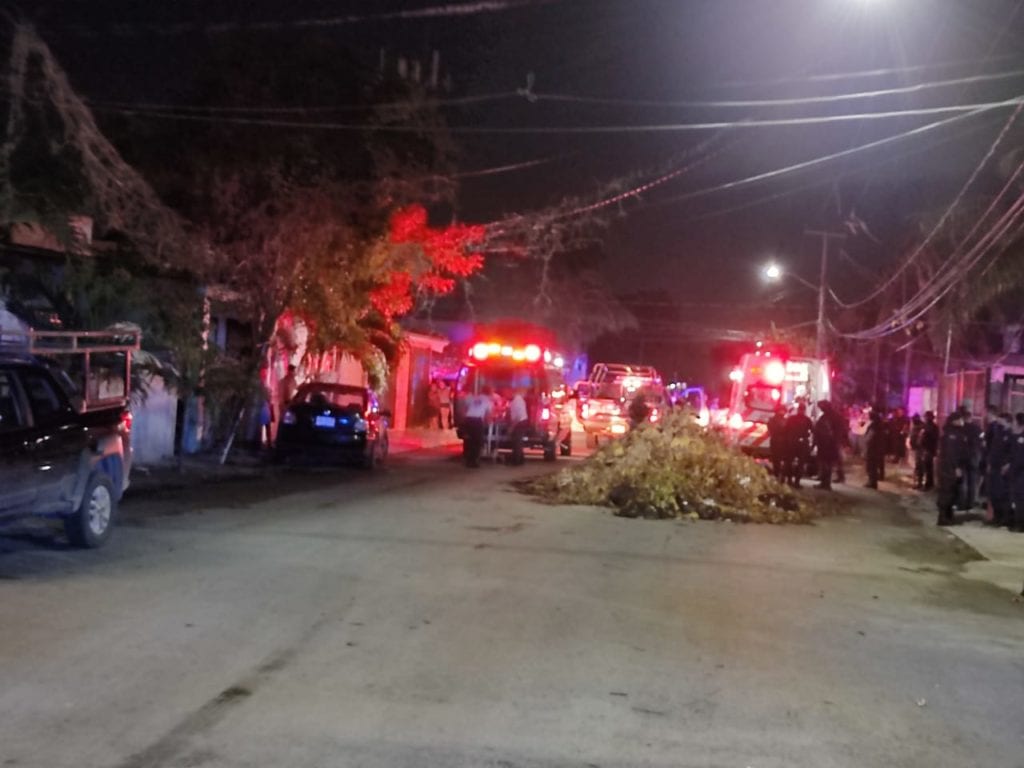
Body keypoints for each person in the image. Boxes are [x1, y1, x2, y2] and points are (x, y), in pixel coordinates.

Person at [937, 411, 968, 526]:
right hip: (949, 468)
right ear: (955, 421)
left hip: (950, 467)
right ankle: (943, 517)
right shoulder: (952, 435)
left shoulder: (955, 433)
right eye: (960, 419)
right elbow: (952, 454)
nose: (962, 422)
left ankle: (948, 515)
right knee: (947, 491)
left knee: (952, 492)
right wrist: (956, 467)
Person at [983, 408, 1013, 526]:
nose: (999, 422)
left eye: (1001, 420)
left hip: (1003, 468)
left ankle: (1003, 518)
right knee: (994, 493)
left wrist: (1007, 464)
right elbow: (993, 450)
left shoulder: (1011, 435)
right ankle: (996, 516)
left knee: (1003, 494)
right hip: (995, 467)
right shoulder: (998, 433)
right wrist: (990, 463)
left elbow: (1013, 453)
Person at [462, 385, 494, 468]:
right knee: (477, 442)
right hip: (477, 421)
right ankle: (474, 461)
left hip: (468, 420)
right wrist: (489, 421)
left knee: (470, 441)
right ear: (489, 392)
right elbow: (488, 414)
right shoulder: (488, 400)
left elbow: (466, 407)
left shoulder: (475, 397)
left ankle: (468, 460)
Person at [784, 402, 813, 488]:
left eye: (802, 409)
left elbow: (785, 430)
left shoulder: (792, 419)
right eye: (801, 409)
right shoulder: (806, 420)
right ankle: (793, 481)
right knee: (796, 463)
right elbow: (812, 430)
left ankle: (792, 481)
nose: (801, 411)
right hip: (799, 443)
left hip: (794, 443)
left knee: (792, 462)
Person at [959, 405, 982, 510]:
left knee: (963, 482)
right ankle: (970, 503)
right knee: (972, 482)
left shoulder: (961, 429)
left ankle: (962, 503)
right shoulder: (978, 428)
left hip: (963, 457)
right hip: (974, 457)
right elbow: (982, 441)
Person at [813, 401, 839, 490]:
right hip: (829, 444)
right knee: (827, 464)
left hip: (826, 445)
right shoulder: (832, 416)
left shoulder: (828, 418)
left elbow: (819, 430)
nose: (821, 409)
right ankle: (825, 482)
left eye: (821, 407)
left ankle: (825, 483)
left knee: (826, 464)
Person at [1009, 413, 1024, 532]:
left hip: (1021, 472)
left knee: (1021, 498)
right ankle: (1016, 521)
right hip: (1015, 472)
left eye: (1014, 421)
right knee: (1016, 498)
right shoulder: (1014, 436)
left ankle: (1020, 524)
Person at [864, 410, 886, 489]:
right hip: (877, 448)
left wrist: (867, 443)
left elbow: (870, 438)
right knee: (874, 466)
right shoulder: (879, 425)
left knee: (871, 466)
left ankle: (872, 482)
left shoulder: (874, 426)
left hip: (872, 449)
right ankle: (873, 481)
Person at [507, 388, 529, 466]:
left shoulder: (517, 401)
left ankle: (516, 461)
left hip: (519, 423)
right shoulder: (517, 400)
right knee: (518, 442)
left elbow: (518, 417)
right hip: (520, 422)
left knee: (517, 442)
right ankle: (520, 459)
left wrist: (511, 427)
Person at [766, 405, 788, 483]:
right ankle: (779, 475)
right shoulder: (782, 420)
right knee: (778, 460)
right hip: (779, 442)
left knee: (777, 460)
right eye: (782, 410)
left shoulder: (773, 420)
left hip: (778, 442)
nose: (783, 412)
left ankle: (778, 475)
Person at [918, 411, 939, 490]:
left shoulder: (932, 427)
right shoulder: (926, 426)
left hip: (928, 449)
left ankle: (928, 484)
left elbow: (933, 439)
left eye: (926, 417)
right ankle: (928, 483)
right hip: (925, 449)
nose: (925, 418)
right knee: (926, 467)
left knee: (927, 468)